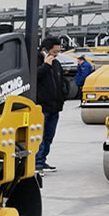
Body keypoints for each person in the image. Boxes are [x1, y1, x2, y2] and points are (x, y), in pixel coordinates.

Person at [36, 36, 67, 174]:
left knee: (49, 136)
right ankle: (37, 163)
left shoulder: (56, 64)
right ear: (44, 50)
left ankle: (42, 160)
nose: (56, 55)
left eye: (58, 52)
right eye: (54, 52)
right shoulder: (36, 62)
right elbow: (34, 77)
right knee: (40, 137)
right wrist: (45, 65)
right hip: (41, 106)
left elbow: (61, 81)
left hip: (55, 106)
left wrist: (63, 95)